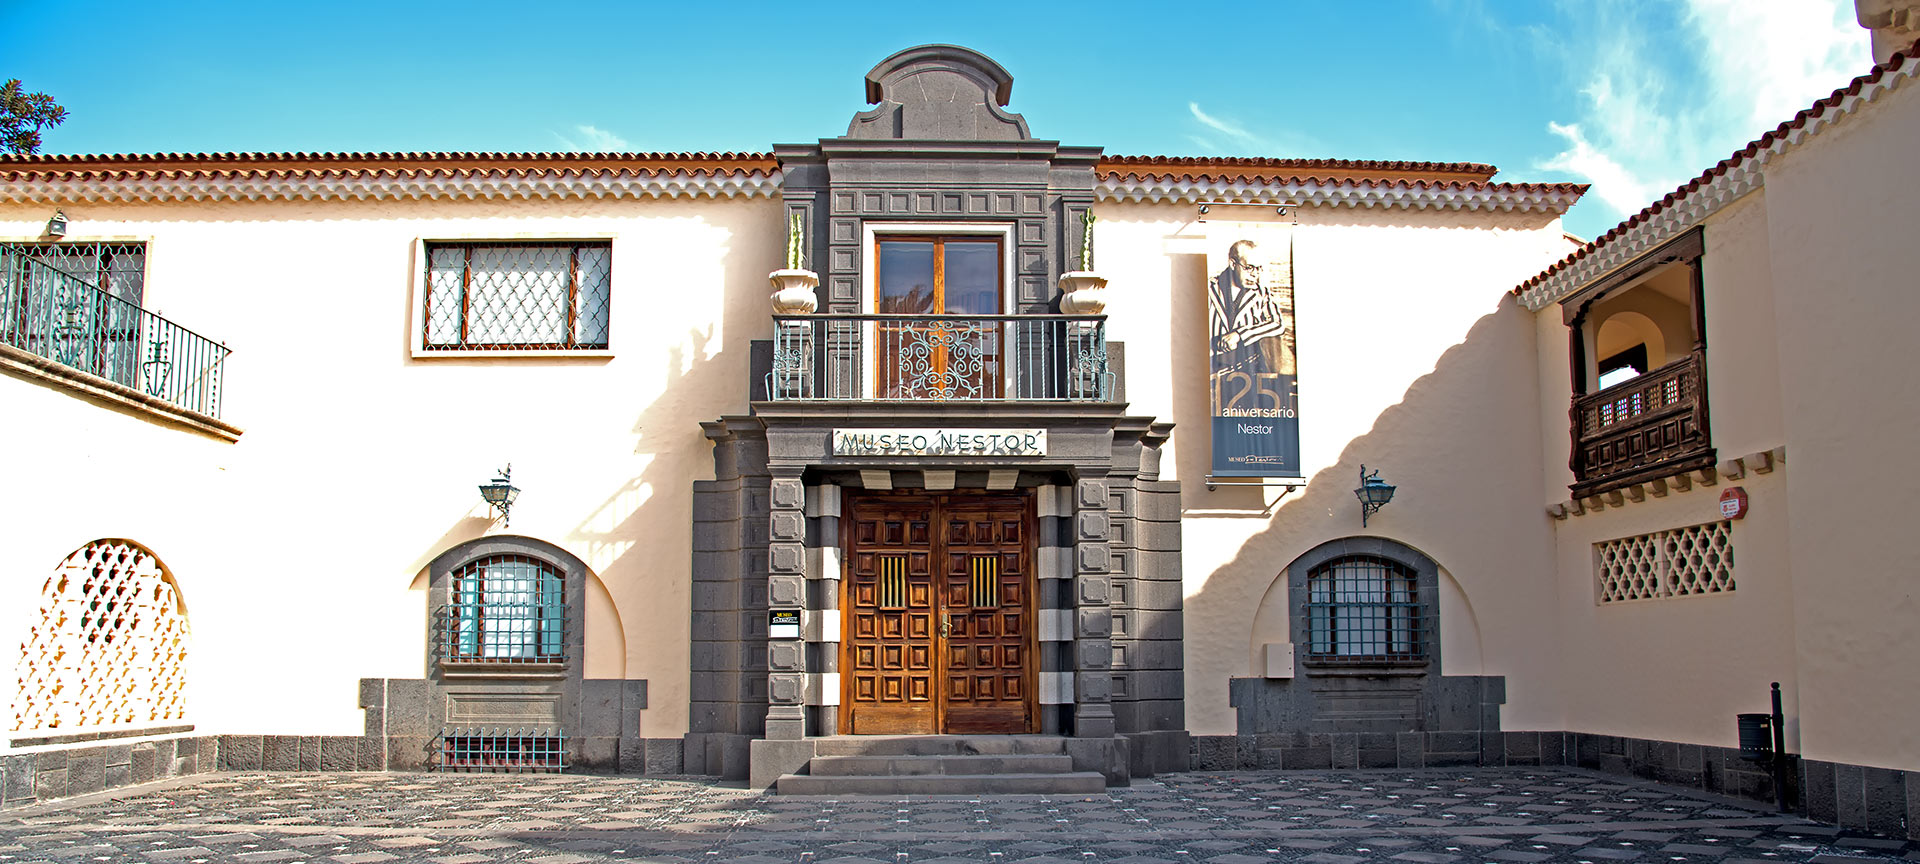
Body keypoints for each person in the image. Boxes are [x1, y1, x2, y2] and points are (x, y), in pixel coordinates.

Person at [1208, 239, 1288, 375]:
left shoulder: (1262, 294)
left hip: (1246, 372)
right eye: (1249, 268)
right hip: (1211, 371)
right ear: (1233, 264)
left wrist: (1239, 334)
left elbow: (1278, 324)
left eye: (1258, 269)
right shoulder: (1208, 289)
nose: (1255, 274)